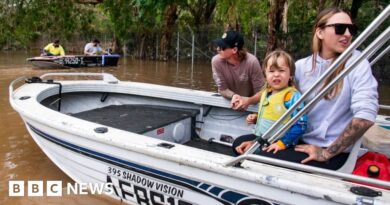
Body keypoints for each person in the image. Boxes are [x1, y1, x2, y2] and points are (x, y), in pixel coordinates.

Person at [236, 8, 379, 170]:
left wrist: (326, 153)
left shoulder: (358, 64)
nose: (347, 34)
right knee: (241, 143)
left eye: (351, 29)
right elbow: (276, 90)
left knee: (252, 153)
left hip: (329, 151)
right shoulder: (302, 66)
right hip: (298, 139)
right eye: (340, 28)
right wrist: (248, 101)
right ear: (320, 32)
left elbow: (365, 117)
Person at [234, 50, 307, 155]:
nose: (276, 74)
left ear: (290, 75)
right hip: (263, 139)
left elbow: (301, 125)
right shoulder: (266, 93)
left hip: (281, 142)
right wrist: (256, 117)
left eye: (281, 71)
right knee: (238, 145)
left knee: (251, 153)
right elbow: (272, 114)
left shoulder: (292, 96)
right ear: (265, 75)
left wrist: (282, 143)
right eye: (271, 71)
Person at [212, 30, 265, 110]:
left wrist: (248, 101)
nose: (218, 49)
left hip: (250, 106)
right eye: (218, 46)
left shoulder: (252, 62)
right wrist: (234, 96)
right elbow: (222, 89)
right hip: (230, 102)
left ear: (234, 50)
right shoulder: (216, 61)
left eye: (222, 47)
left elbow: (262, 92)